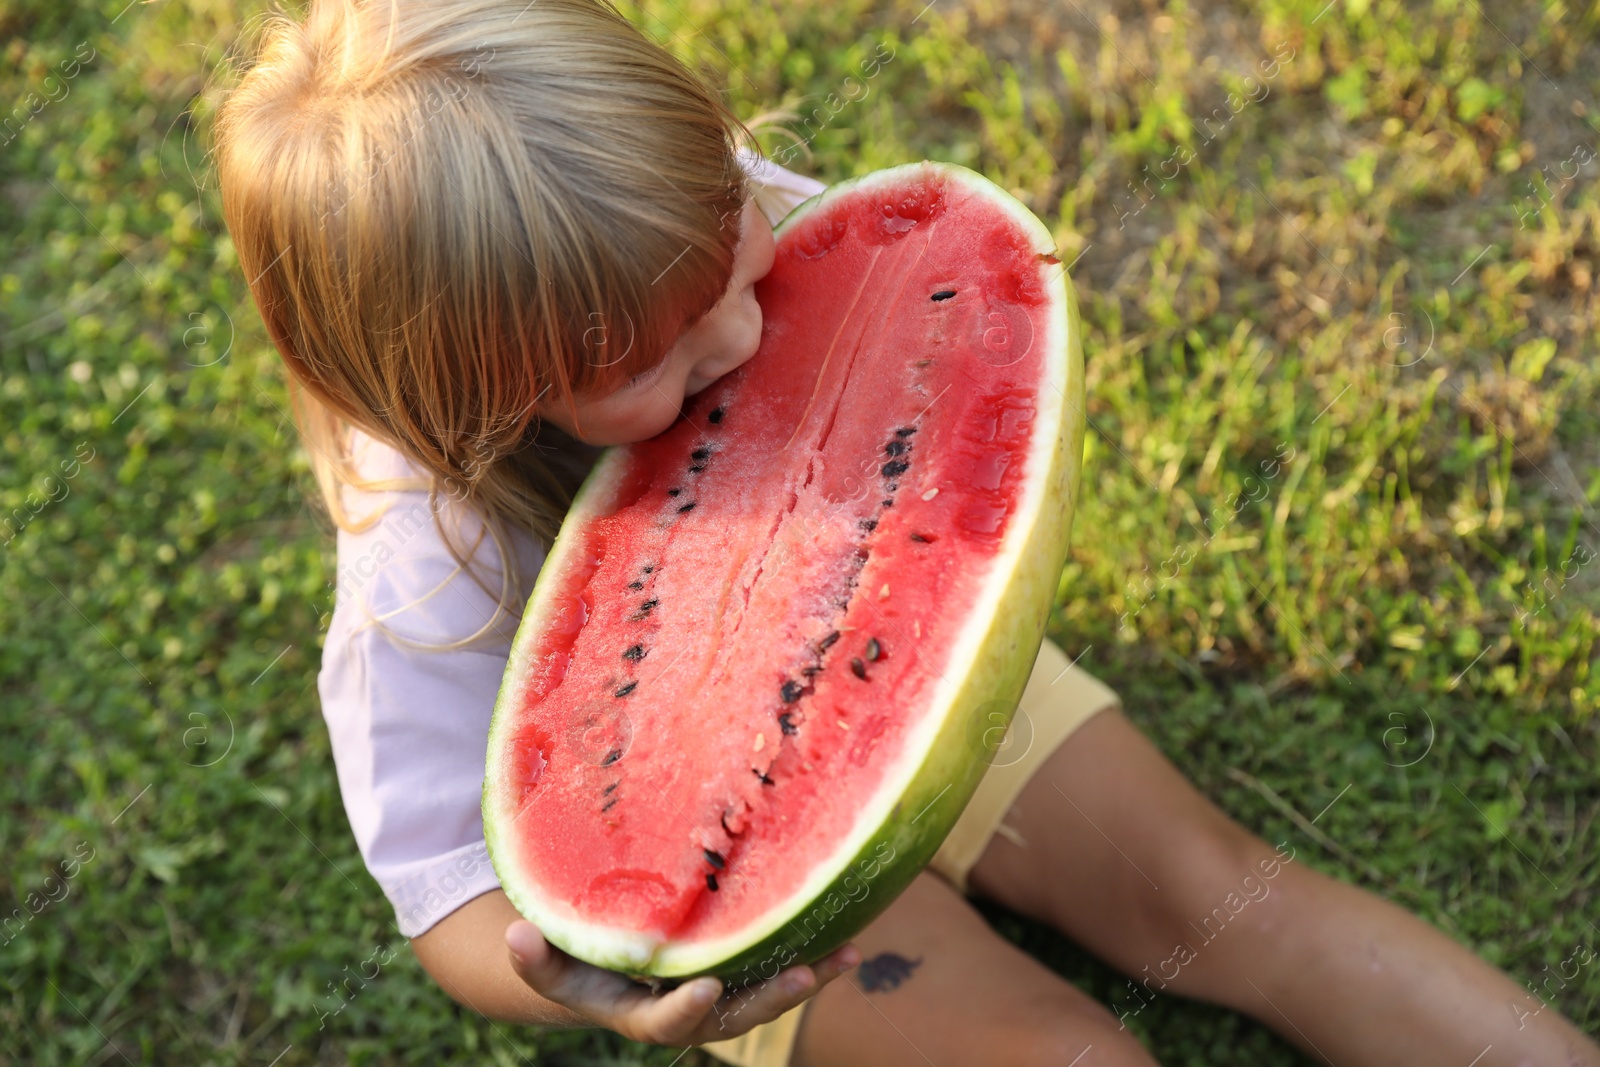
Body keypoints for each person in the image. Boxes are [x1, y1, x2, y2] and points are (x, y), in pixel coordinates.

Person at [212, 1, 1600, 1064]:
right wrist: (592, 977)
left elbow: (911, 338)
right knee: (1066, 1055)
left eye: (737, 255)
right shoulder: (425, 578)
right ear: (471, 402)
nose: (744, 329)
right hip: (727, 888)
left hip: (912, 678)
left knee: (1227, 900)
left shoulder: (673, 212)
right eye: (656, 357)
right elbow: (450, 895)